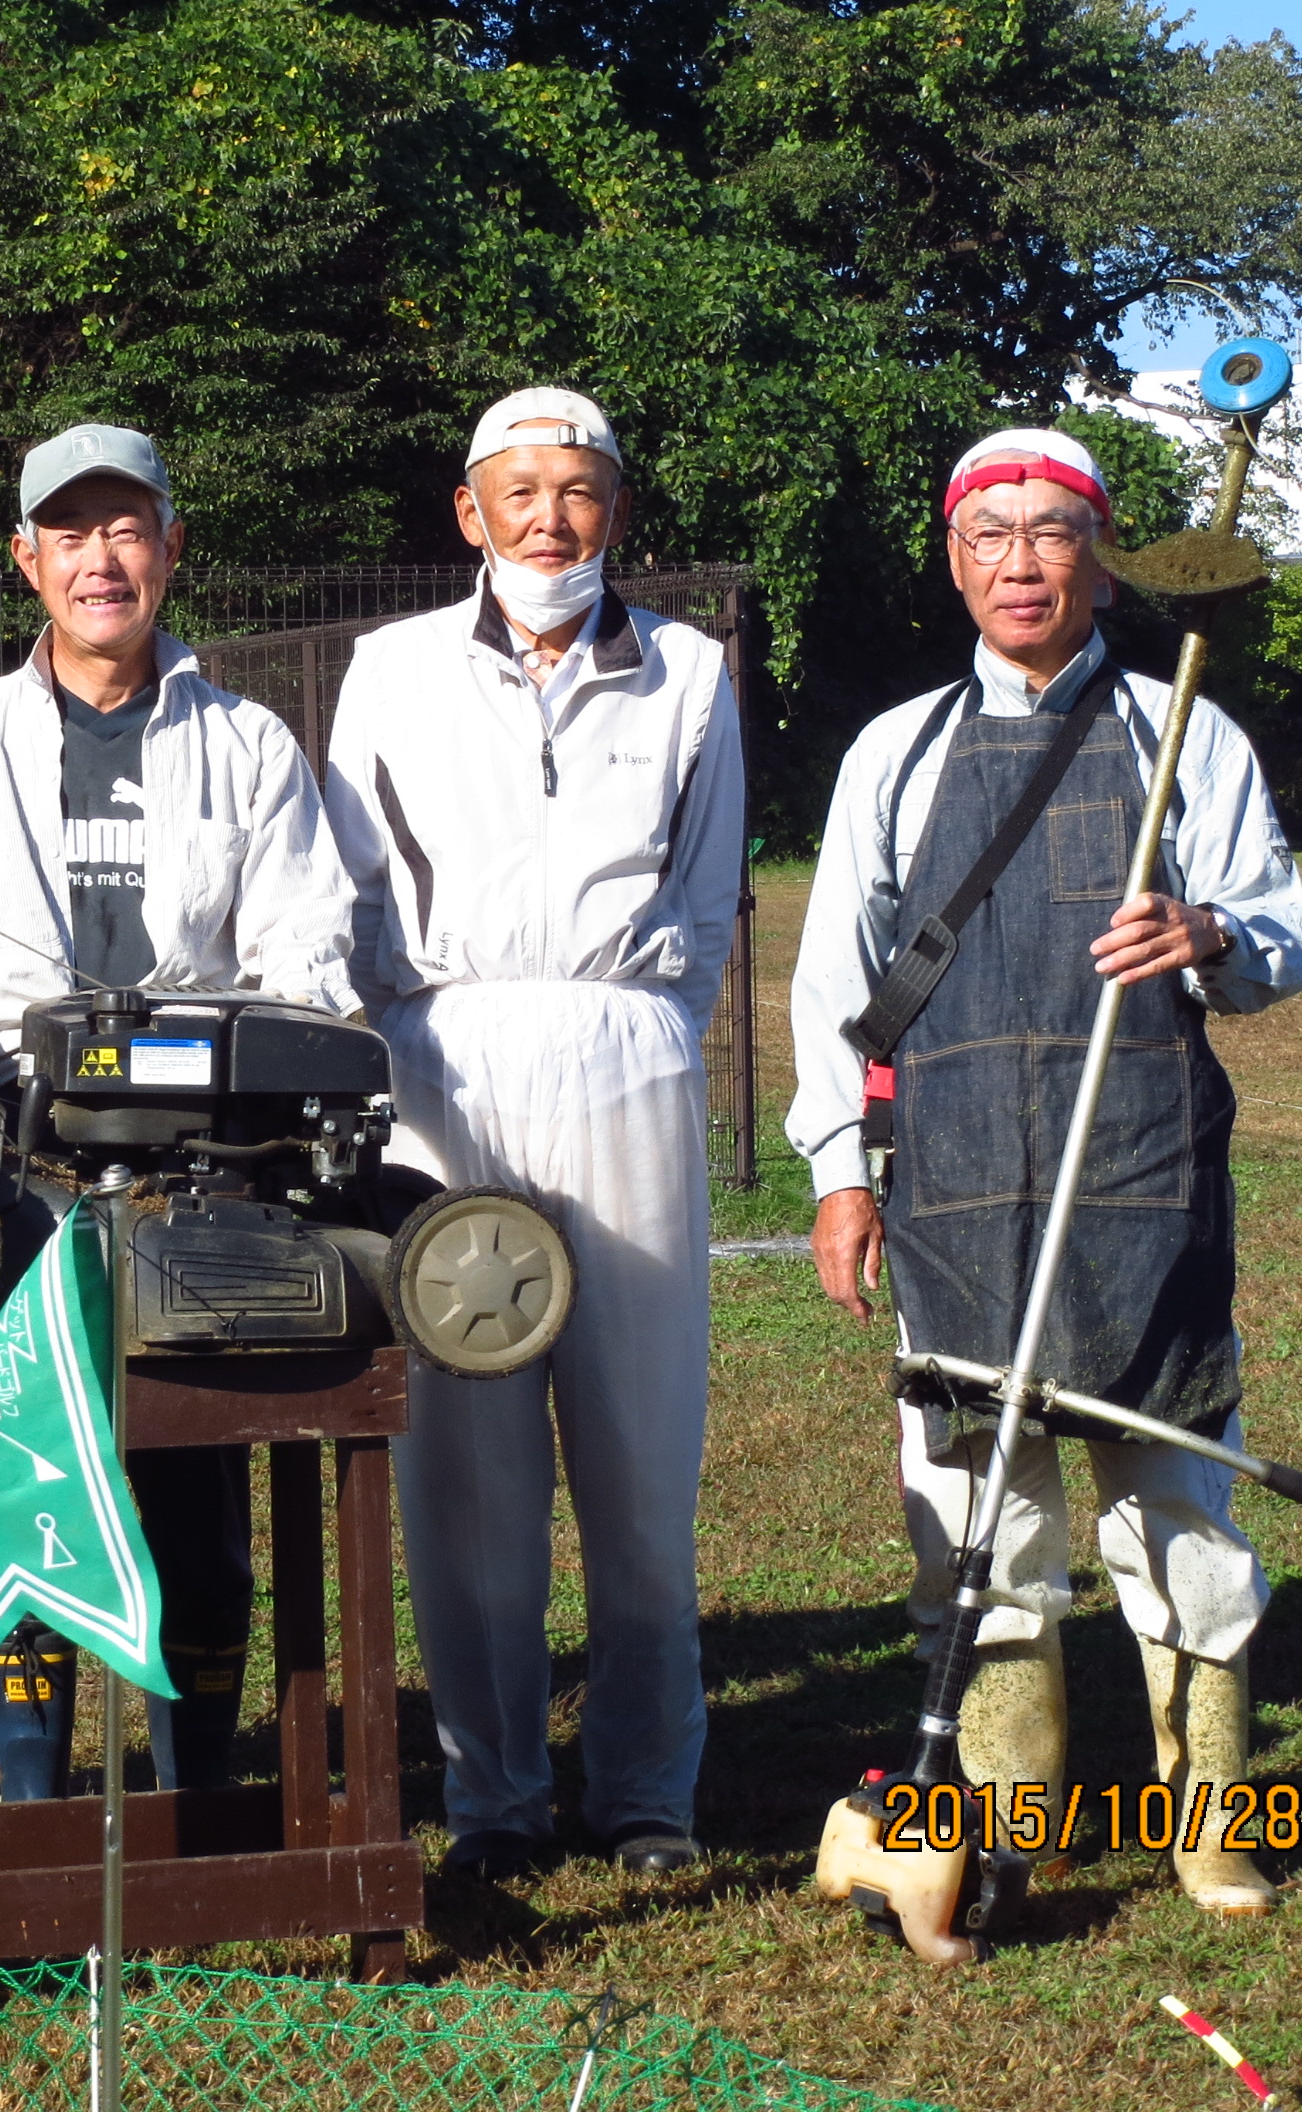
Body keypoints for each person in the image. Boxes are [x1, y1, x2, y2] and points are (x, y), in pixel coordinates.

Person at [785, 428, 1302, 1915]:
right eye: (992, 535)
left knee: (1177, 1515)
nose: (1022, 561)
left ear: (1099, 555)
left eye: (1054, 532)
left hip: (1143, 1174)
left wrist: (1206, 934)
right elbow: (839, 978)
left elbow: (1284, 938)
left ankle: (1210, 1813)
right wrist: (840, 1168)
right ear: (954, 560)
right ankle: (1012, 1814)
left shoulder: (1184, 730)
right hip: (953, 1184)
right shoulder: (894, 752)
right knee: (979, 1512)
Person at [0, 423, 357, 1798]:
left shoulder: (248, 745)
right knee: (26, 1477)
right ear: (26, 560)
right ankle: (30, 1800)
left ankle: (196, 1786)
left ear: (173, 549)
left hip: (202, 1175)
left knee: (196, 1499)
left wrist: (243, 1079)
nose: (101, 560)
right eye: (70, 534)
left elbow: (306, 949)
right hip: (8, 1168)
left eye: (126, 529)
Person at [322, 387, 745, 1878]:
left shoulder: (687, 671)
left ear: (615, 511)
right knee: (466, 1460)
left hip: (623, 1053)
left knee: (641, 1449)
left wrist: (641, 1037)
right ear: (470, 512)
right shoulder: (387, 672)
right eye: (523, 491)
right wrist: (398, 1053)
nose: (551, 518)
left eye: (579, 491)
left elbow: (705, 903)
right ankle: (495, 1796)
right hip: (446, 1059)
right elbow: (351, 890)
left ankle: (648, 1795)